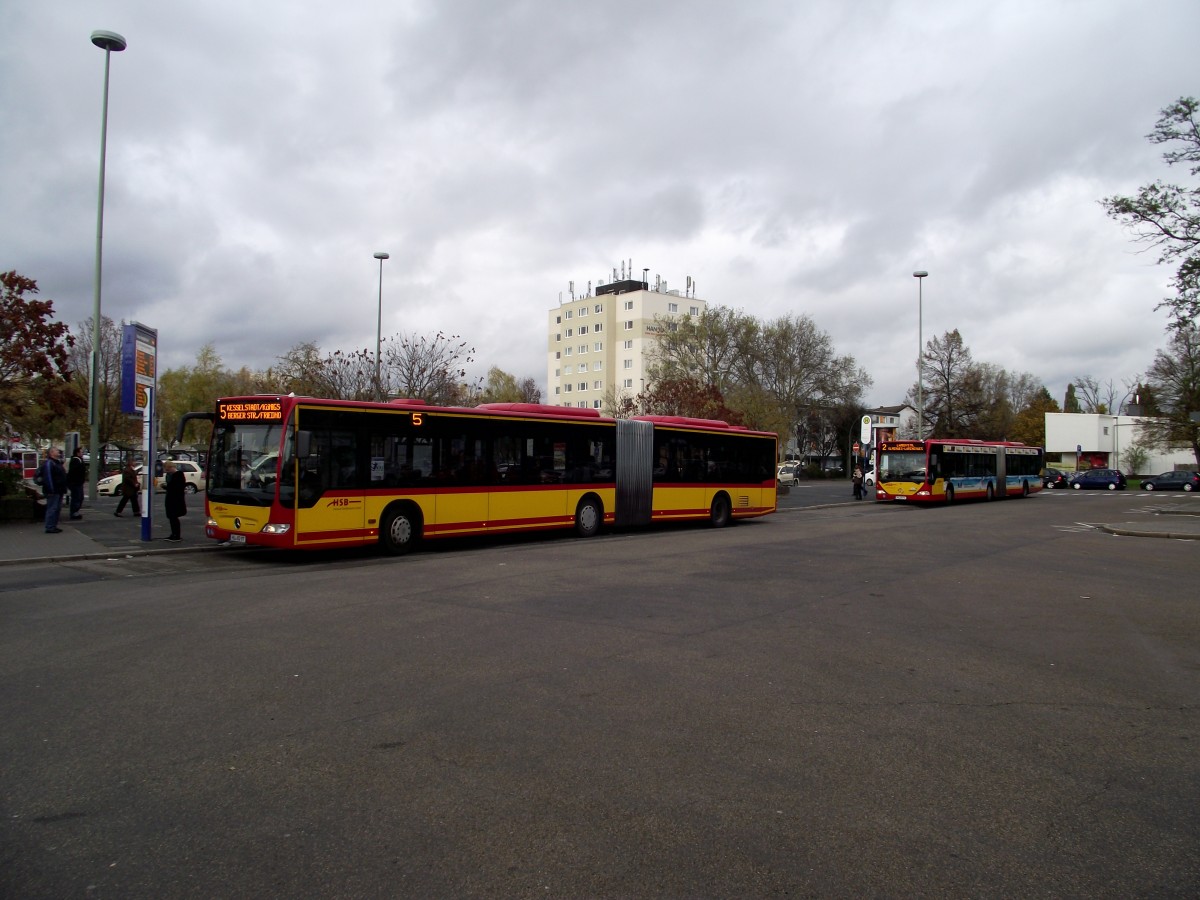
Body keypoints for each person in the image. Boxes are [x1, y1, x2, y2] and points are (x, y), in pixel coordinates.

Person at [40, 447, 68, 533]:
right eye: (56, 450)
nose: (58, 451)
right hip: (53, 490)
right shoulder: (49, 463)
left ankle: (53, 525)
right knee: (52, 508)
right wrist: (51, 489)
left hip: (59, 490)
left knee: (57, 508)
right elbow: (48, 477)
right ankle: (49, 526)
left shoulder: (57, 462)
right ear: (51, 453)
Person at [162, 460, 187, 541]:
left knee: (174, 517)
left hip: (176, 499)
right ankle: (173, 534)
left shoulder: (179, 475)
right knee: (171, 517)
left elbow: (177, 487)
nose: (167, 471)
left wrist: (166, 487)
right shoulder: (169, 475)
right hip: (170, 498)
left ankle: (176, 535)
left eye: (168, 469)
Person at [66, 446, 86, 519]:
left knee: (79, 497)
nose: (82, 454)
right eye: (81, 452)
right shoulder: (76, 460)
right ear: (77, 453)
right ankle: (74, 512)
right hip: (76, 483)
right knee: (77, 497)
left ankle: (75, 511)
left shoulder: (78, 460)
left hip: (77, 482)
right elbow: (74, 472)